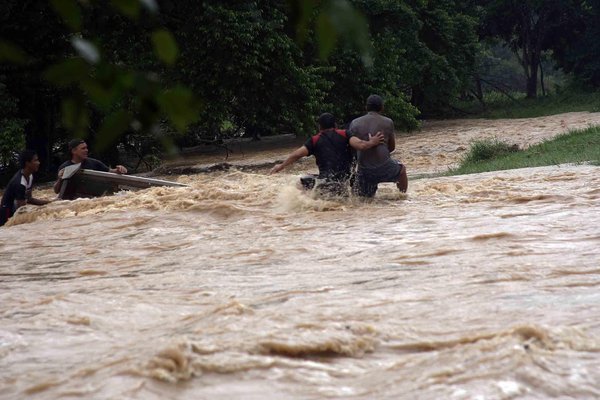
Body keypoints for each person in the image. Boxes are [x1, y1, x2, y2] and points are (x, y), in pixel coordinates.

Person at [269, 113, 384, 194]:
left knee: (303, 180)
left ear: (319, 127)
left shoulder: (314, 140)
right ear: (335, 125)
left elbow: (296, 154)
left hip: (325, 183)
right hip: (345, 182)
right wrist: (373, 142)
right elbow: (361, 145)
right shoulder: (345, 134)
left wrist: (281, 166)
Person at [348, 94, 408, 197]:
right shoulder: (388, 122)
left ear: (366, 107)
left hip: (364, 169)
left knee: (364, 200)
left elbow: (352, 148)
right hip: (384, 166)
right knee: (402, 170)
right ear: (382, 107)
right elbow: (392, 147)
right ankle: (402, 197)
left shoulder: (354, 123)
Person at [53, 138, 128, 194]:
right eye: (83, 148)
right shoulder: (65, 167)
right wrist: (60, 179)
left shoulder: (94, 162)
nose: (86, 150)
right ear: (73, 151)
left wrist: (119, 169)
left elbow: (111, 172)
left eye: (86, 148)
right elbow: (56, 191)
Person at [1, 150, 52, 227]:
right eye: (36, 160)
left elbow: (29, 199)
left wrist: (49, 203)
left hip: (15, 207)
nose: (39, 163)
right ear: (27, 163)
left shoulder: (30, 176)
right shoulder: (19, 183)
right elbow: (21, 211)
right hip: (7, 212)